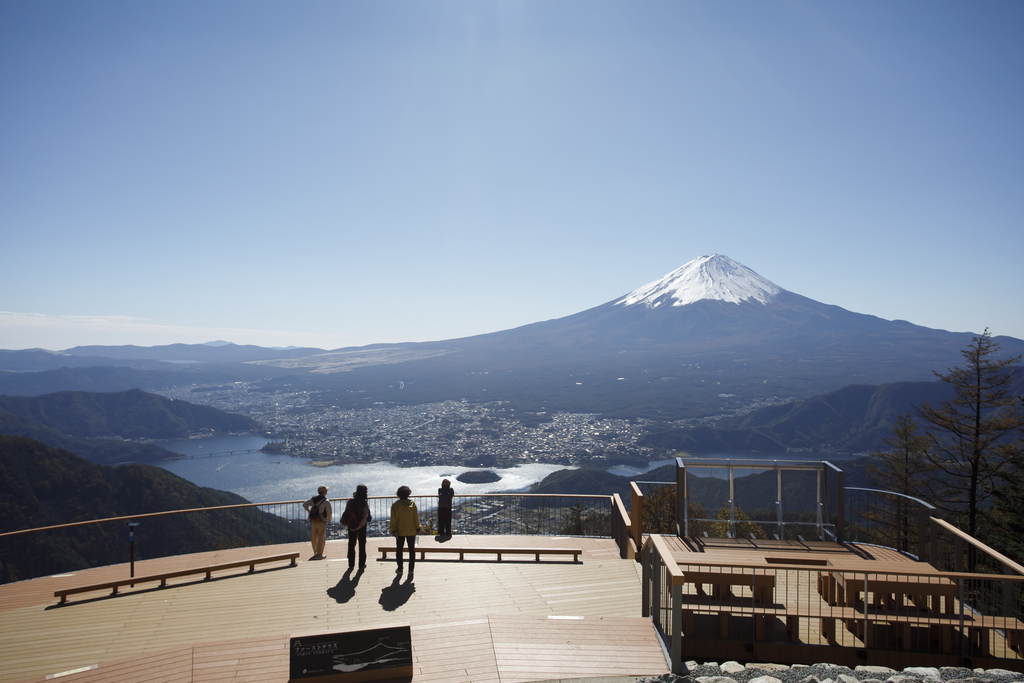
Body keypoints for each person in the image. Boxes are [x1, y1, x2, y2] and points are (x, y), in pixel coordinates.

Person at [389, 485, 421, 574]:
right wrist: (418, 528)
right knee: (412, 550)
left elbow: (393, 519)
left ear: (398, 494)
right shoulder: (412, 504)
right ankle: (411, 569)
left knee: (399, 550)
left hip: (399, 531)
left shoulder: (395, 505)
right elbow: (415, 517)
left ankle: (400, 568)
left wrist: (392, 530)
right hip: (411, 530)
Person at [343, 484, 371, 570]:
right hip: (361, 527)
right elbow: (365, 518)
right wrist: (359, 527)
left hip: (351, 525)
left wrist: (353, 527)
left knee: (351, 544)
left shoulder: (350, 501)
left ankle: (351, 564)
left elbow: (346, 513)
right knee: (362, 545)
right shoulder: (364, 503)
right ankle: (361, 564)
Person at [302, 485, 333, 559]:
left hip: (314, 520)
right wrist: (328, 520)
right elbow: (329, 513)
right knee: (321, 538)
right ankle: (319, 554)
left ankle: (315, 552)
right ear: (324, 492)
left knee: (314, 538)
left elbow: (304, 504)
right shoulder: (326, 502)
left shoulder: (313, 499)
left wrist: (309, 511)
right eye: (326, 491)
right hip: (322, 521)